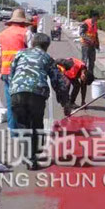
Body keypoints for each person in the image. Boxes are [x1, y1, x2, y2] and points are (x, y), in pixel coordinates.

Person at [9, 33, 68, 170]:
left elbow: (12, 72)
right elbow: (58, 82)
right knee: (36, 125)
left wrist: (14, 88)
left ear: (32, 43)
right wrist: (65, 102)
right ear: (46, 46)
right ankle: (33, 156)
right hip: (37, 94)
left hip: (17, 92)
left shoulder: (20, 54)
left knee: (23, 125)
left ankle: (28, 156)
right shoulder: (47, 58)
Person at [0, 8, 32, 131]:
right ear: (23, 22)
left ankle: (12, 131)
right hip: (21, 72)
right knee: (23, 102)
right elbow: (31, 53)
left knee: (11, 102)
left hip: (6, 71)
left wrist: (0, 71)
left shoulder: (2, 34)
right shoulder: (26, 33)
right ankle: (23, 129)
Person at [79, 10, 100, 75]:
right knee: (84, 60)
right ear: (93, 17)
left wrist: (97, 44)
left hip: (92, 45)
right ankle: (83, 75)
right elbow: (81, 33)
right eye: (96, 17)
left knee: (92, 61)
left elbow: (95, 34)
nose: (97, 19)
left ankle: (90, 75)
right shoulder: (86, 23)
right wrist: (89, 39)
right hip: (85, 45)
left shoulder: (95, 24)